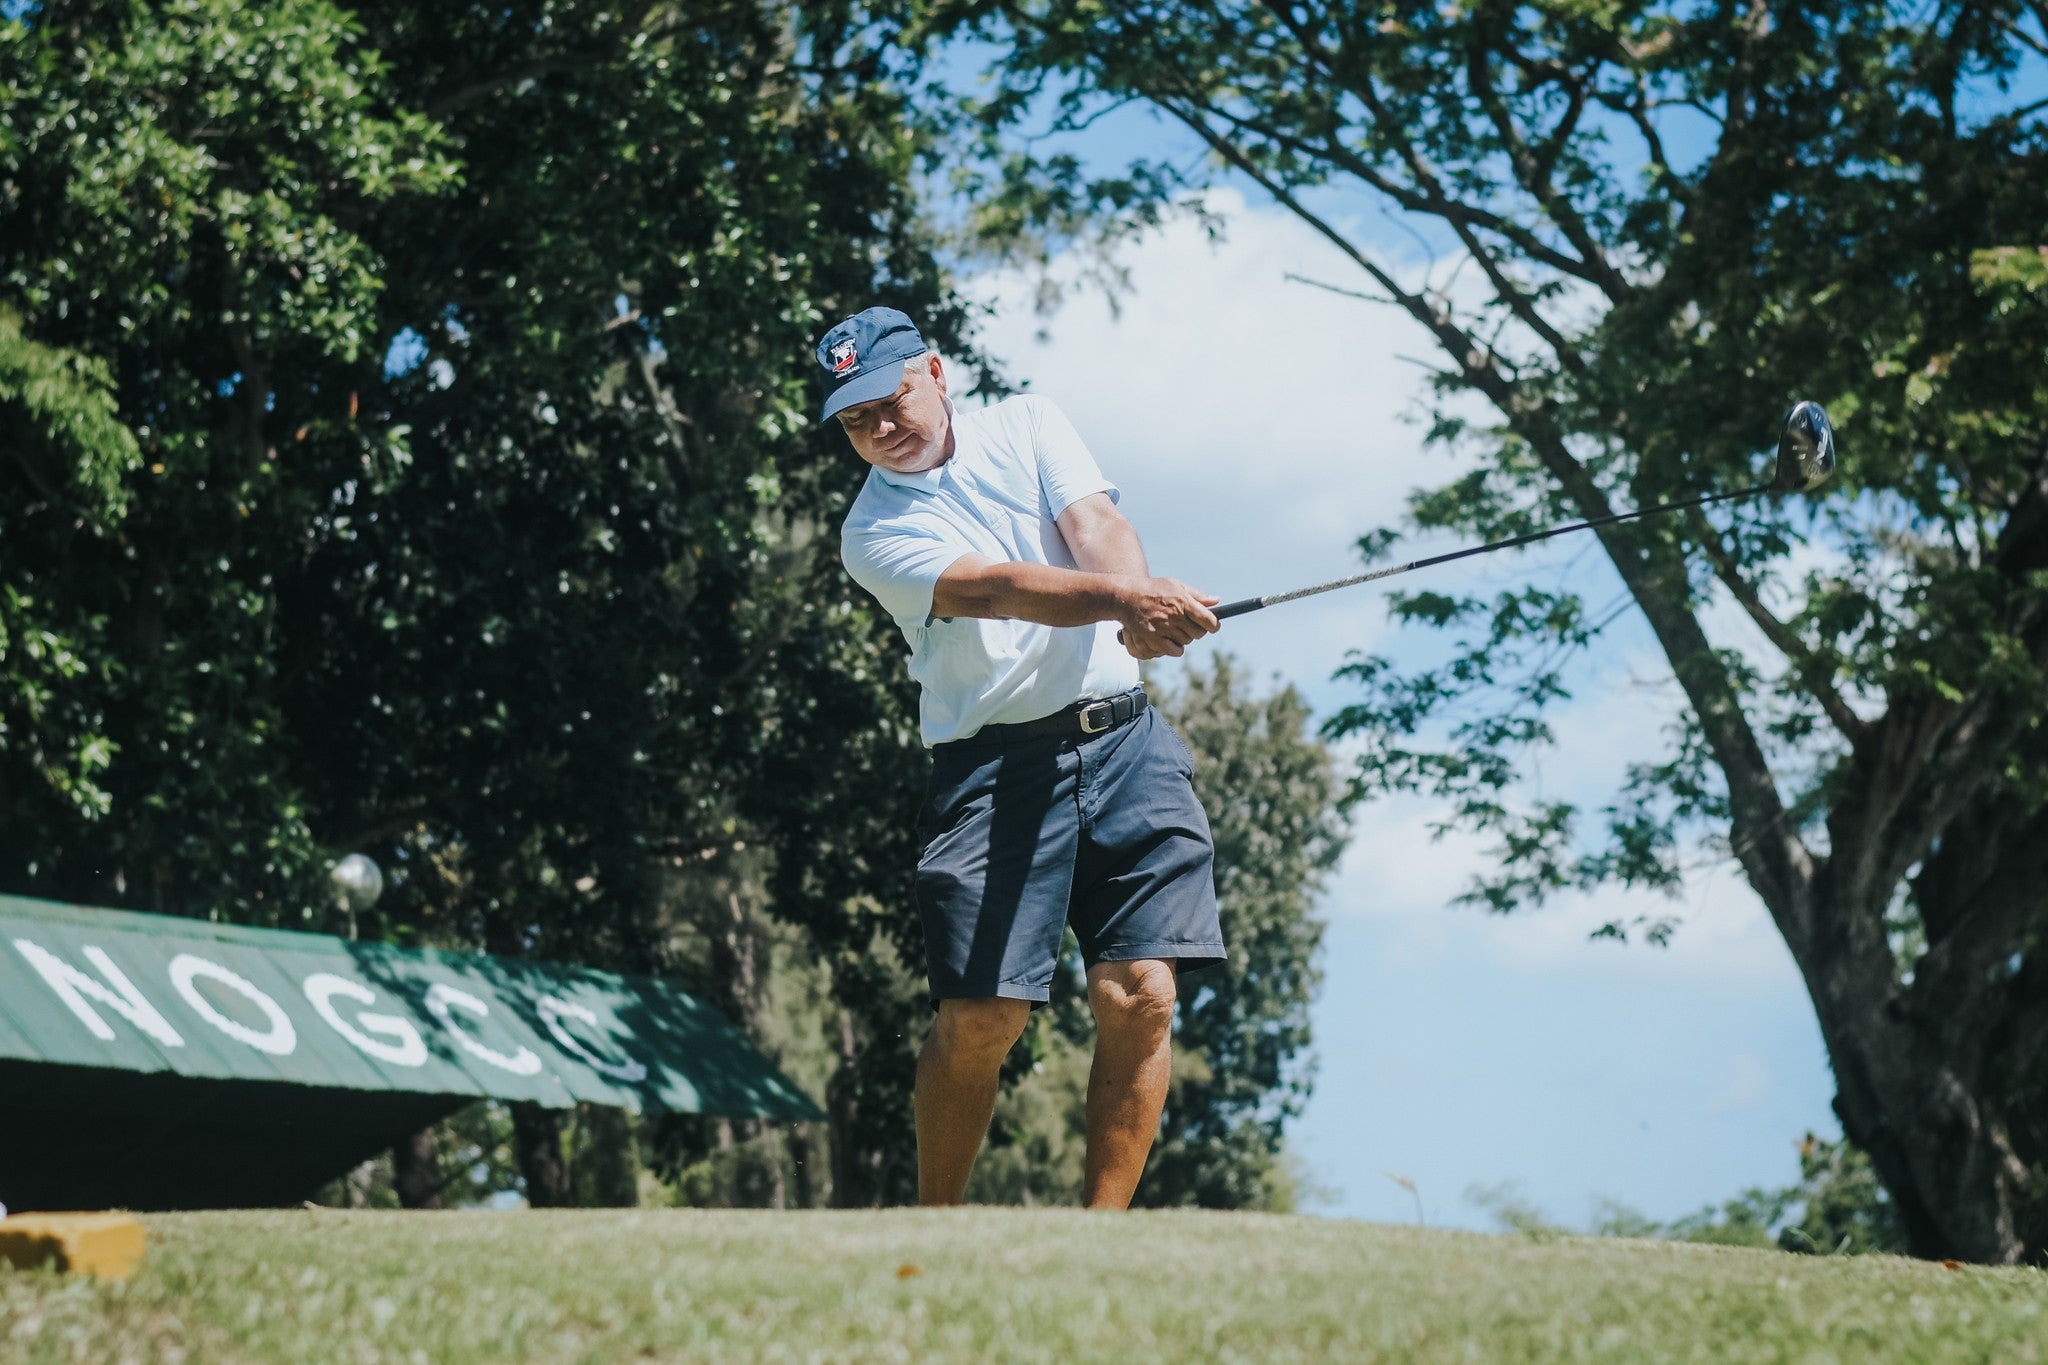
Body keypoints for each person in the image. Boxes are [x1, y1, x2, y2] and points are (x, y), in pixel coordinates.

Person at [819, 305, 1227, 1209]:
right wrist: (1129, 600)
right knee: (980, 1017)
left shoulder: (1031, 422)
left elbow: (1099, 528)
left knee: (1141, 991)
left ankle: (1097, 1238)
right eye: (856, 419)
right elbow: (1000, 590)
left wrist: (1137, 592)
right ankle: (936, 1226)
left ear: (935, 369)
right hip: (994, 772)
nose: (880, 428)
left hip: (1126, 744)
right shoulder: (870, 532)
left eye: (890, 400)